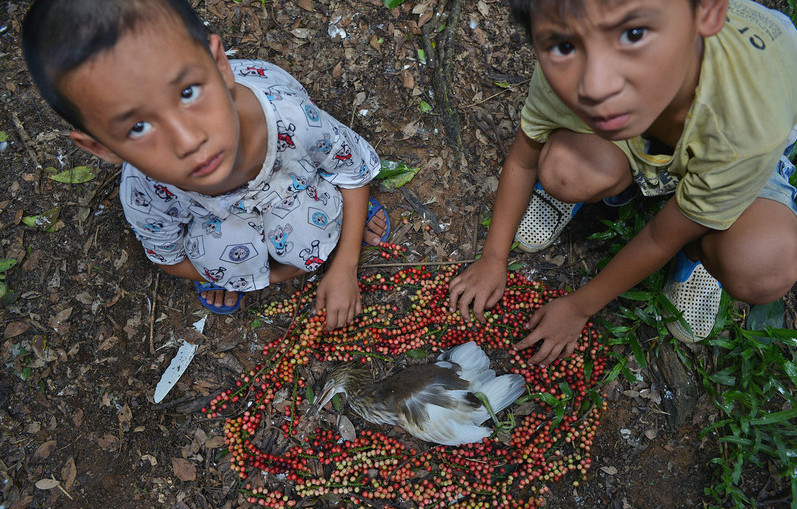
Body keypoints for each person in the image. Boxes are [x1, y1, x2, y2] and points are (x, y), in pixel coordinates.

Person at [449, 0, 797, 364]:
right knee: (564, 170)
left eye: (633, 35)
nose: (598, 86)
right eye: (564, 46)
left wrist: (579, 307)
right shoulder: (575, 38)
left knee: (762, 268)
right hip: (642, 126)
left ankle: (699, 249)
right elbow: (524, 158)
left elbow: (663, 235)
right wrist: (492, 257)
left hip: (732, 151)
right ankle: (619, 179)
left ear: (707, 12)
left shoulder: (749, 123)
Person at [22, 0, 390, 329]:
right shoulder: (145, 192)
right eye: (138, 127)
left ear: (219, 64)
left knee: (317, 224)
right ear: (102, 147)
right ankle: (240, 264)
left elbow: (353, 170)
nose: (188, 140)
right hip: (221, 223)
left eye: (188, 92)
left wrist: (344, 265)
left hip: (290, 176)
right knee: (220, 260)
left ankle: (338, 213)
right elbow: (167, 255)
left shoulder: (292, 120)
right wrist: (260, 276)